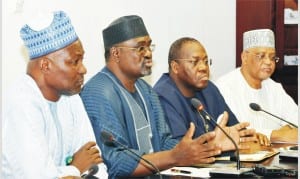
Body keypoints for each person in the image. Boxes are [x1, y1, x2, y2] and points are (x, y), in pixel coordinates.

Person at [80, 15, 223, 178]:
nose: (148, 53)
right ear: (116, 53)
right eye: (140, 48)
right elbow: (115, 162)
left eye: (149, 46)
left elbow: (163, 141)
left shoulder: (146, 90)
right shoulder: (98, 92)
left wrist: (195, 149)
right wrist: (175, 157)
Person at [2, 11, 108, 178]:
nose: (83, 69)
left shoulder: (71, 96)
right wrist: (75, 168)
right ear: (45, 65)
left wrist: (73, 171)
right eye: (75, 61)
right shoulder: (21, 103)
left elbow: (95, 163)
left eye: (82, 60)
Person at [153, 37, 269, 148]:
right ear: (175, 67)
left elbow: (234, 129)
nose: (204, 67)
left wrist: (249, 137)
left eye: (206, 61)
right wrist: (215, 144)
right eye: (194, 62)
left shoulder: (209, 89)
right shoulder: (163, 97)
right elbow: (181, 150)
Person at [215, 29, 298, 143]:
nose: (269, 62)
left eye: (272, 57)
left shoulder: (274, 87)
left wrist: (270, 135)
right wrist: (275, 135)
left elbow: (296, 121)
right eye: (261, 56)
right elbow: (234, 131)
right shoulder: (224, 87)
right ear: (244, 57)